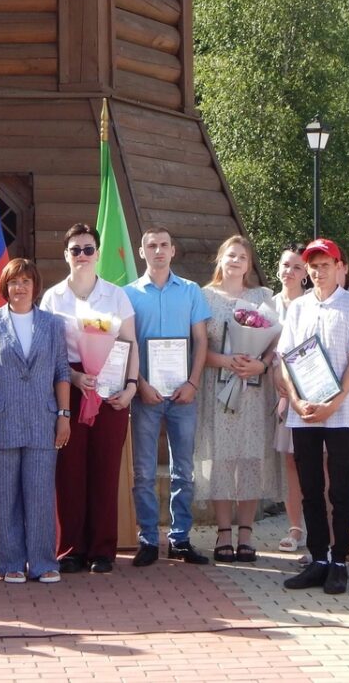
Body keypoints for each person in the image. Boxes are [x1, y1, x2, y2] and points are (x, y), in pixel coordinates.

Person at [40, 223, 139, 574]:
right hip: (69, 386)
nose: (82, 255)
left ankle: (101, 550)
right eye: (75, 250)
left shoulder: (116, 295)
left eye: (88, 249)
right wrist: (75, 377)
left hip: (110, 388)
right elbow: (49, 353)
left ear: (98, 253)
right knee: (70, 470)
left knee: (104, 469)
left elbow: (130, 343)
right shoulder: (53, 298)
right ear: (65, 255)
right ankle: (71, 549)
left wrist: (130, 387)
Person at [0, 259, 71, 584]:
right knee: (4, 496)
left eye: (26, 281)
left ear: (35, 286)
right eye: (14, 282)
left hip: (43, 420)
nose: (20, 287)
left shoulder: (53, 324)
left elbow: (62, 372)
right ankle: (10, 562)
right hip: (1, 421)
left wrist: (64, 415)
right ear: (5, 286)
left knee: (40, 494)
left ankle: (43, 562)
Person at [278, 238, 349, 596]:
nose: (317, 271)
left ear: (339, 266)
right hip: (304, 414)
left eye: (325, 264)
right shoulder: (298, 308)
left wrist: (336, 402)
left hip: (341, 413)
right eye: (312, 266)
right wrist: (297, 400)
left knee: (341, 489)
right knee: (311, 487)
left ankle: (340, 560)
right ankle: (318, 558)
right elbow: (286, 358)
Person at [125, 227, 212, 567]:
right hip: (145, 394)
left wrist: (193, 382)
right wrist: (139, 383)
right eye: (151, 245)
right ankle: (148, 538)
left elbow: (202, 341)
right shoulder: (128, 295)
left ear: (173, 251)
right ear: (141, 251)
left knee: (184, 471)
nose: (158, 250)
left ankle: (180, 539)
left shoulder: (190, 291)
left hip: (182, 395)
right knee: (144, 472)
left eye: (163, 245)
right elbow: (126, 344)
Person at [196, 235, 279, 562]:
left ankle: (246, 533)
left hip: (254, 391)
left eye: (242, 258)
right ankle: (223, 533)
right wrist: (226, 362)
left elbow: (275, 342)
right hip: (217, 389)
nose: (235, 262)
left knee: (249, 460)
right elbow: (200, 347)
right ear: (220, 259)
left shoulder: (261, 297)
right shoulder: (204, 297)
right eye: (230, 255)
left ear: (249, 265)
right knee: (222, 460)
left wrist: (262, 363)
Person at [272, 246, 308, 555]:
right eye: (286, 265)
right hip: (276, 392)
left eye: (297, 267)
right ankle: (295, 526)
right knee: (290, 462)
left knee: (317, 463)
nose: (290, 272)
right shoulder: (267, 305)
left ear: (306, 273)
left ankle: (322, 525)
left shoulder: (313, 304)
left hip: (310, 392)